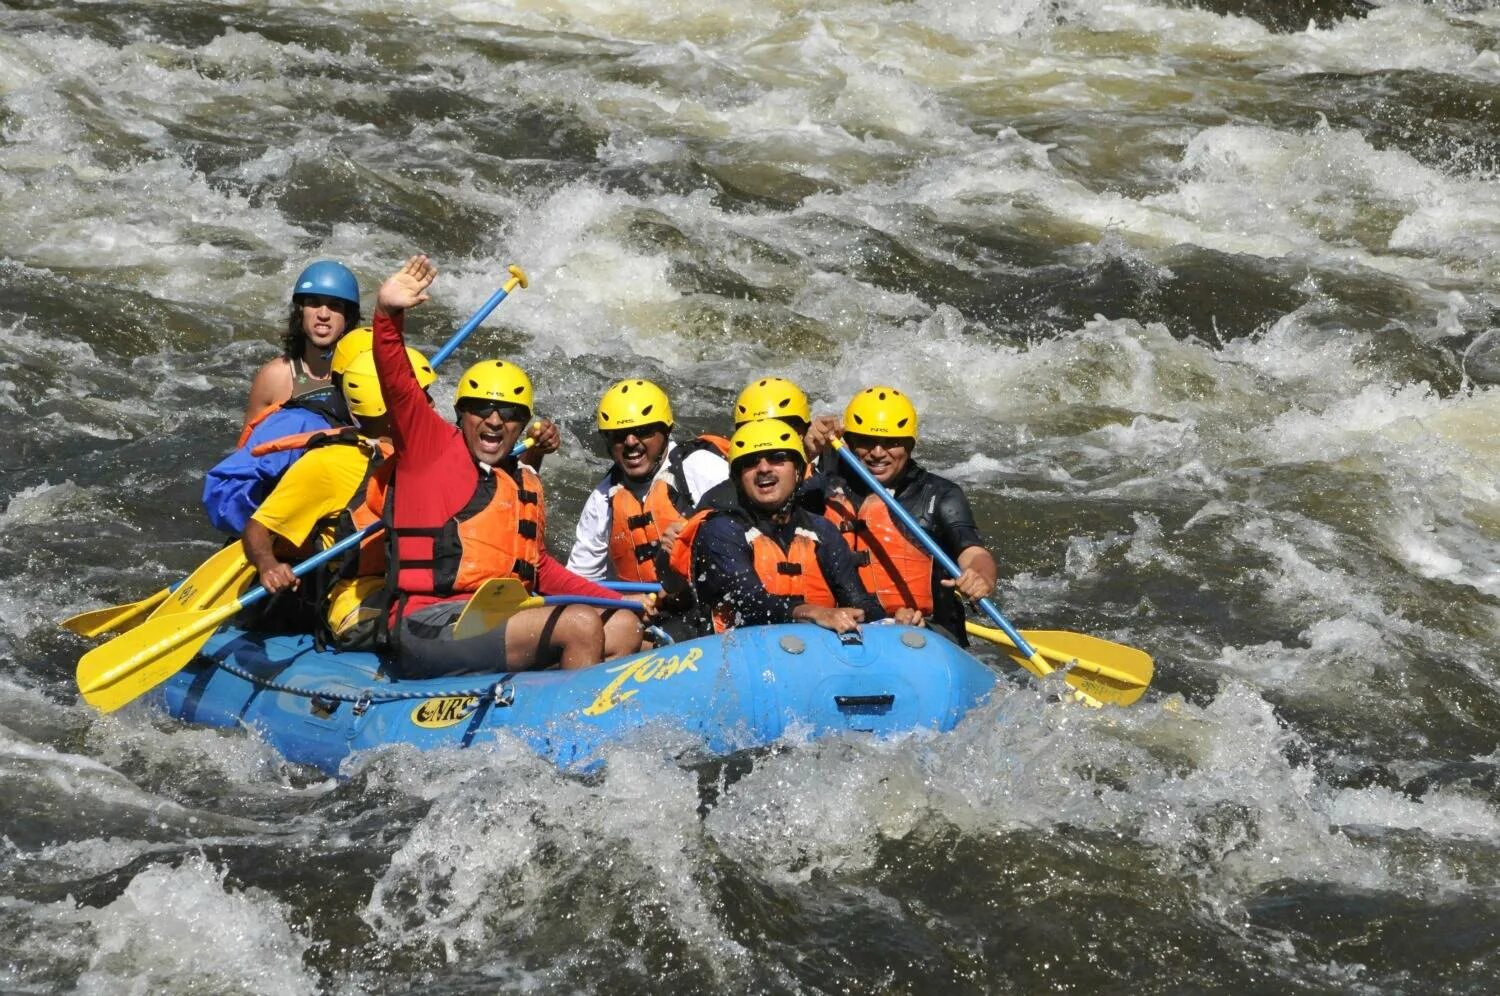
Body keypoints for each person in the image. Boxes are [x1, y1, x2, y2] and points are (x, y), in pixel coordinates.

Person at [362, 255, 639, 676]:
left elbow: (540, 568)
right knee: (580, 624)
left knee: (622, 626)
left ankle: (550, 703)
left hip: (492, 620)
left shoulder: (518, 481)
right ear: (462, 414)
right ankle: (577, 731)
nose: (495, 420)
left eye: (509, 414)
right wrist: (387, 315)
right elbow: (397, 384)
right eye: (482, 409)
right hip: (429, 623)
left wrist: (621, 602)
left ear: (521, 426)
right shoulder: (430, 450)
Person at [239, 344, 435, 646]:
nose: (432, 404)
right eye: (422, 395)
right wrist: (268, 565)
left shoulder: (428, 453)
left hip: (412, 587)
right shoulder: (330, 464)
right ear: (389, 406)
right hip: (353, 598)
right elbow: (257, 528)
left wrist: (535, 454)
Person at [669, 419, 914, 634]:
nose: (764, 468)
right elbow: (750, 602)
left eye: (777, 459)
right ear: (737, 479)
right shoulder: (720, 530)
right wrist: (812, 612)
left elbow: (859, 602)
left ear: (798, 471)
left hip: (807, 653)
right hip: (738, 653)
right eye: (751, 462)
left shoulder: (822, 530)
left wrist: (892, 621)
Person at [829, 385, 998, 645]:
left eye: (891, 443)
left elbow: (973, 552)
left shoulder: (939, 494)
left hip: (927, 631)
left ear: (909, 446)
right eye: (866, 441)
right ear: (849, 442)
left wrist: (980, 577)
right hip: (847, 627)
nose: (877, 453)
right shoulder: (826, 488)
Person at [201, 324, 371, 536]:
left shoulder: (399, 430)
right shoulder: (297, 423)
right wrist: (272, 532)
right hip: (295, 549)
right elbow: (224, 493)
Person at [566, 379, 728, 583]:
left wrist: (698, 533)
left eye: (643, 431)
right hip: (642, 608)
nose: (631, 442)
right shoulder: (602, 499)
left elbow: (750, 530)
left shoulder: (699, 466)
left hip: (706, 599)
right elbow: (580, 580)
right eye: (618, 435)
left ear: (666, 431)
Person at [241, 260, 361, 439]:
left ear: (348, 317)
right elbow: (247, 453)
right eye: (314, 303)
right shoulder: (274, 377)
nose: (323, 315)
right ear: (300, 312)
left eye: (335, 306)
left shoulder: (364, 374)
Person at [695, 376, 840, 514]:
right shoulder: (726, 494)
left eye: (782, 428)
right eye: (756, 432)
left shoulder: (834, 456)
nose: (771, 438)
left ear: (805, 428)